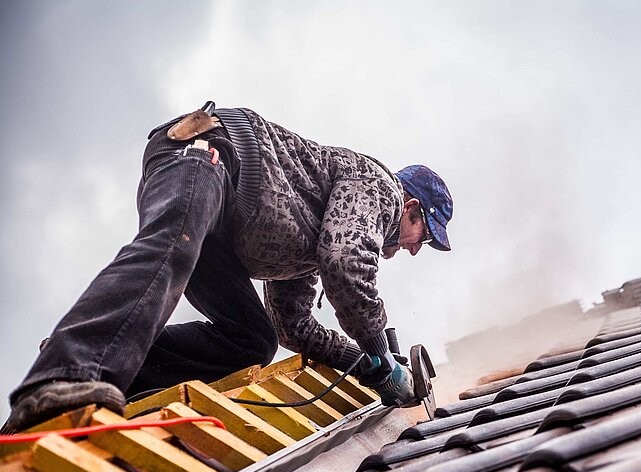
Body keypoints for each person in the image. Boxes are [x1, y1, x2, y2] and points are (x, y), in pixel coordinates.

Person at [2, 102, 453, 433]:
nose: (414, 251)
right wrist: (379, 344)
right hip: (210, 156)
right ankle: (65, 372)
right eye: (423, 237)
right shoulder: (378, 187)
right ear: (410, 207)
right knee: (169, 248)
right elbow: (346, 262)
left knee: (252, 339)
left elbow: (293, 326)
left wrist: (365, 363)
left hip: (223, 225)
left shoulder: (306, 239)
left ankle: (108, 373)